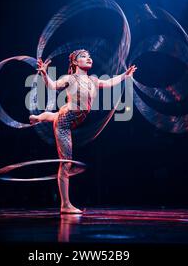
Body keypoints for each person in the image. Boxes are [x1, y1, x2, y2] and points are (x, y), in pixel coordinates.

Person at [30, 49, 137, 214]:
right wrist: (44, 73)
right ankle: (65, 205)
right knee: (66, 164)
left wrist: (125, 75)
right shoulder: (69, 79)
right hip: (64, 124)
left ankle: (38, 118)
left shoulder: (93, 80)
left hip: (69, 118)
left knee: (56, 115)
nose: (89, 58)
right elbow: (52, 85)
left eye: (89, 56)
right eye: (83, 56)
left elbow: (110, 82)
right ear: (75, 62)